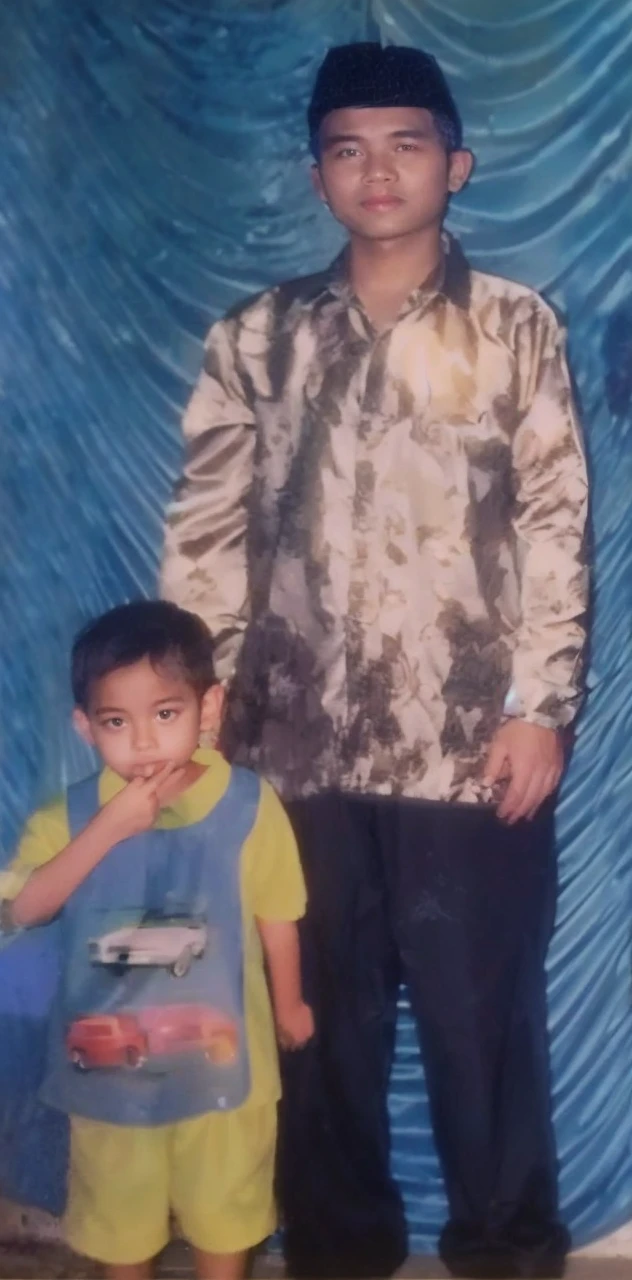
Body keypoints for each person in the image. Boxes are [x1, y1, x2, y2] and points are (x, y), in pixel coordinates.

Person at [160, 41, 589, 1280]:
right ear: (316, 175)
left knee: (479, 1028)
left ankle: (505, 1249)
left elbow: (555, 524)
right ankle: (339, 1252)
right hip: (292, 752)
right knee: (316, 1031)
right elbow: (206, 526)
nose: (377, 170)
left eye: (404, 143)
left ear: (453, 164)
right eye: (347, 147)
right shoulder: (256, 337)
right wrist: (205, 702)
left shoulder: (513, 325)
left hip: (468, 753)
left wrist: (537, 705)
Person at [0, 600, 312, 1280]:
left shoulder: (252, 806)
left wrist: (290, 1007)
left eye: (165, 714)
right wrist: (110, 828)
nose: (143, 742)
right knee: (121, 1228)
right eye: (117, 722)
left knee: (225, 1216)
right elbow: (23, 908)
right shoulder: (70, 816)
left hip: (228, 1074)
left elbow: (278, 914)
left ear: (209, 707)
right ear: (85, 726)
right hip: (109, 1082)